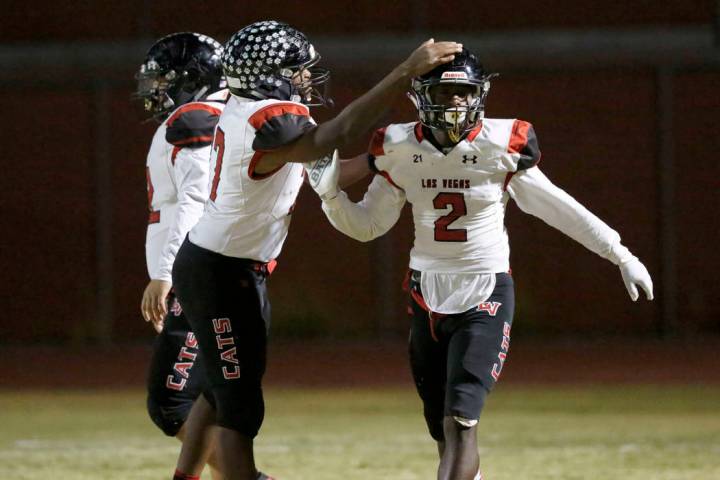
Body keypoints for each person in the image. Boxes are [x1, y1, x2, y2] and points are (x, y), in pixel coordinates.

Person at [314, 48, 654, 480]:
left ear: (480, 95)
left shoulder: (499, 145)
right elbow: (368, 226)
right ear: (421, 97)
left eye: (464, 93)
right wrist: (330, 197)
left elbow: (559, 208)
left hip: (484, 293)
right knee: (442, 429)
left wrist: (619, 252)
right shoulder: (399, 146)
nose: (455, 102)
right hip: (426, 292)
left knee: (461, 421)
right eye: (444, 91)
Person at [169, 19, 462, 480]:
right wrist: (406, 70)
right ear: (270, 73)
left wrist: (387, 159)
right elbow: (339, 132)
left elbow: (327, 170)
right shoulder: (267, 119)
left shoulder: (257, 116)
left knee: (219, 387)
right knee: (240, 404)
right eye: (297, 68)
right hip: (219, 272)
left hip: (231, 267)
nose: (307, 77)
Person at [135, 31, 237, 480]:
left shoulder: (196, 118)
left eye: (164, 80)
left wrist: (163, 273)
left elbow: (194, 201)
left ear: (191, 78)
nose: (156, 90)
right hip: (207, 272)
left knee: (174, 401)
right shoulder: (204, 116)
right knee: (206, 398)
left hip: (200, 275)